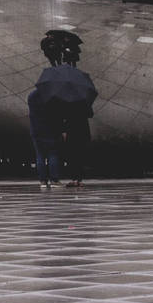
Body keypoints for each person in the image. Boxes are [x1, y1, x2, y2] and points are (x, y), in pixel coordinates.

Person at [35, 30, 96, 188]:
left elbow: (62, 119)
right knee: (79, 156)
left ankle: (72, 178)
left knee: (72, 156)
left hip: (71, 133)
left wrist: (63, 129)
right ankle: (78, 179)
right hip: (82, 133)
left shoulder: (66, 105)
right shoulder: (82, 102)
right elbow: (89, 114)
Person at [28, 76, 63, 188]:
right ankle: (54, 180)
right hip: (51, 130)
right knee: (53, 154)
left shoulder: (32, 96)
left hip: (36, 130)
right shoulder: (53, 97)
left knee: (40, 156)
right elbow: (58, 116)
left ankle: (42, 181)